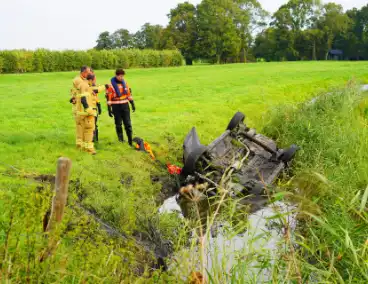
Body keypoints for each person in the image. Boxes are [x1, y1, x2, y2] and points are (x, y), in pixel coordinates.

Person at [106, 69, 136, 146]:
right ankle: (121, 140)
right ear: (116, 75)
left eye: (123, 76)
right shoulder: (111, 85)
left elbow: (128, 94)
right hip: (116, 107)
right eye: (120, 76)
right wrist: (109, 109)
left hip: (125, 106)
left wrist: (132, 104)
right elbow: (108, 98)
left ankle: (130, 141)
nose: (122, 78)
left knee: (128, 124)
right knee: (118, 124)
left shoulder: (125, 83)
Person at [70, 66, 91, 149]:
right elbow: (84, 91)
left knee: (84, 126)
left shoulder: (84, 80)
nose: (89, 74)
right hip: (78, 106)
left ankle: (84, 144)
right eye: (88, 72)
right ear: (84, 72)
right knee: (80, 126)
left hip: (82, 105)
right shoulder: (78, 80)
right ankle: (79, 145)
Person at [86, 73, 102, 143]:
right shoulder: (86, 87)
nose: (95, 81)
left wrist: (99, 104)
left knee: (94, 124)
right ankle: (90, 139)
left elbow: (96, 97)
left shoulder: (94, 86)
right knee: (90, 124)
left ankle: (95, 139)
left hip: (94, 108)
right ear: (90, 80)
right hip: (89, 108)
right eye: (94, 80)